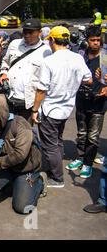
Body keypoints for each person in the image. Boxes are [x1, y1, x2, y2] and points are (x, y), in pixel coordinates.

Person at [31, 26, 92, 188]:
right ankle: (55, 166)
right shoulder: (77, 58)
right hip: (66, 109)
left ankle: (57, 177)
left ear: (52, 40)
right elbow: (88, 79)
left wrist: (35, 110)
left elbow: (42, 89)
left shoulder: (49, 61)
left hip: (50, 109)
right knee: (57, 140)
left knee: (49, 145)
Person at [0, 94, 44, 213]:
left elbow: (20, 155)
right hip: (7, 167)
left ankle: (39, 181)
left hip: (26, 169)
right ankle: (17, 185)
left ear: (2, 112)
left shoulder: (20, 125)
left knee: (23, 207)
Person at [66, 26, 106, 179]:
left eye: (98, 40)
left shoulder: (105, 57)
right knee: (82, 133)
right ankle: (80, 158)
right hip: (82, 100)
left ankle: (88, 163)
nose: (96, 43)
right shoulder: (80, 56)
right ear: (87, 41)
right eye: (92, 40)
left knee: (93, 136)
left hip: (99, 103)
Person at [0, 18, 52, 122]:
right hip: (9, 96)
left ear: (40, 32)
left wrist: (37, 108)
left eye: (31, 32)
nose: (27, 35)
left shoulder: (46, 51)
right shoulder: (14, 44)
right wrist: (4, 73)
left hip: (28, 102)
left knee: (25, 133)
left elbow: (46, 81)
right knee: (7, 131)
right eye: (25, 32)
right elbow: (5, 61)